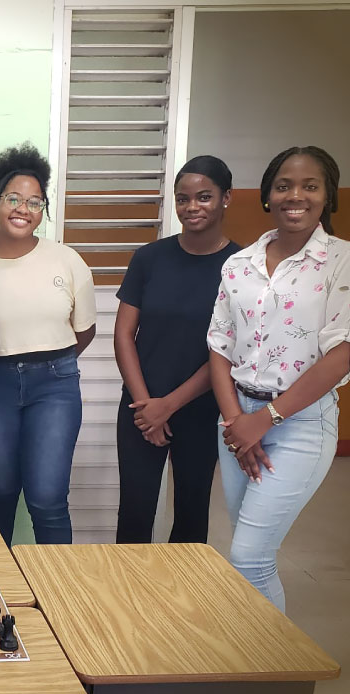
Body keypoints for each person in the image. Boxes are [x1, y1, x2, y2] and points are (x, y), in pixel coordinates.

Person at [209, 146, 347, 612]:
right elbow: (219, 345)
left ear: (328, 196)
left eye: (311, 186)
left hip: (301, 424)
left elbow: (342, 353)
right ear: (268, 194)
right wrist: (236, 423)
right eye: (284, 185)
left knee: (248, 557)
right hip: (236, 422)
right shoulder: (239, 264)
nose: (296, 196)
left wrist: (264, 419)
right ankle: (252, 660)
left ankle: (272, 674)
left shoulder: (341, 262)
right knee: (251, 548)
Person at [0, 143, 97, 546]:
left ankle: (60, 597)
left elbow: (85, 330)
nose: (23, 208)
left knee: (47, 498)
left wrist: (48, 362)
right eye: (13, 199)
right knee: (1, 491)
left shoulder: (67, 260)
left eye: (35, 202)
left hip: (55, 385)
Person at [114, 156, 241, 543]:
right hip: (140, 406)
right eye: (182, 198)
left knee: (191, 512)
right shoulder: (149, 258)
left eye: (204, 197)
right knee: (135, 510)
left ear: (226, 199)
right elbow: (123, 335)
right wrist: (145, 405)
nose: (192, 207)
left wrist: (167, 406)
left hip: (202, 408)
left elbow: (228, 349)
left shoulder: (241, 266)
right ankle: (126, 599)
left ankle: (182, 600)